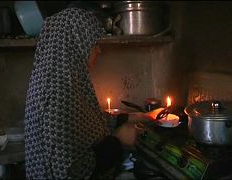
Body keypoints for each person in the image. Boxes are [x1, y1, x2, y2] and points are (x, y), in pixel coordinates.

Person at [24, 7, 148, 179]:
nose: (99, 50)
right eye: (95, 43)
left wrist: (134, 117)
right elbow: (72, 171)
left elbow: (84, 122)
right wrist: (118, 142)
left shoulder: (58, 80)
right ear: (76, 44)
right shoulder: (57, 95)